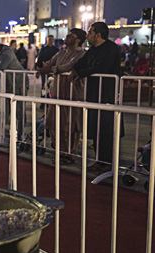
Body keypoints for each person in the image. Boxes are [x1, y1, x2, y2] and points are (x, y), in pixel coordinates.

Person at [72, 22, 122, 172]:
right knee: (95, 126)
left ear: (98, 35)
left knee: (106, 127)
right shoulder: (93, 50)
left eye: (90, 32)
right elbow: (81, 63)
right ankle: (100, 160)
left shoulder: (111, 48)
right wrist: (75, 69)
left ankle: (107, 161)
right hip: (94, 92)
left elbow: (101, 68)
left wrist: (80, 73)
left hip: (107, 93)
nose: (87, 35)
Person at [37, 28, 87, 164]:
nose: (67, 36)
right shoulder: (60, 53)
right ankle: (61, 150)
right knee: (52, 122)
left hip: (73, 94)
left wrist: (50, 69)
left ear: (78, 40)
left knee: (72, 125)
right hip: (58, 94)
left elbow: (69, 66)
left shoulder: (81, 54)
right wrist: (41, 67)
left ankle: (70, 154)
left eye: (71, 35)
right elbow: (50, 63)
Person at [36, 35, 59, 101]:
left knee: (52, 86)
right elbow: (40, 59)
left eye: (52, 39)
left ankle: (51, 99)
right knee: (44, 85)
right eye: (49, 39)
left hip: (52, 70)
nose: (51, 41)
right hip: (45, 70)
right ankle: (43, 100)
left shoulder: (56, 50)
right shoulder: (43, 50)